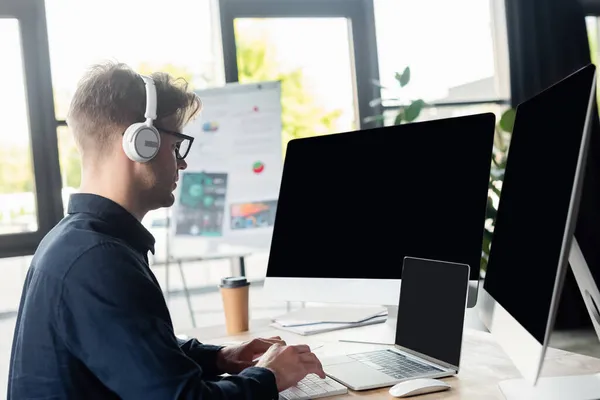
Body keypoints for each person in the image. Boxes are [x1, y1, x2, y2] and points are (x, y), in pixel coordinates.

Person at [7, 62, 325, 399]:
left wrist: (219, 357)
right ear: (139, 143)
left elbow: (133, 344)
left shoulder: (73, 241)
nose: (183, 163)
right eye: (176, 147)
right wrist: (270, 377)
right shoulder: (99, 261)